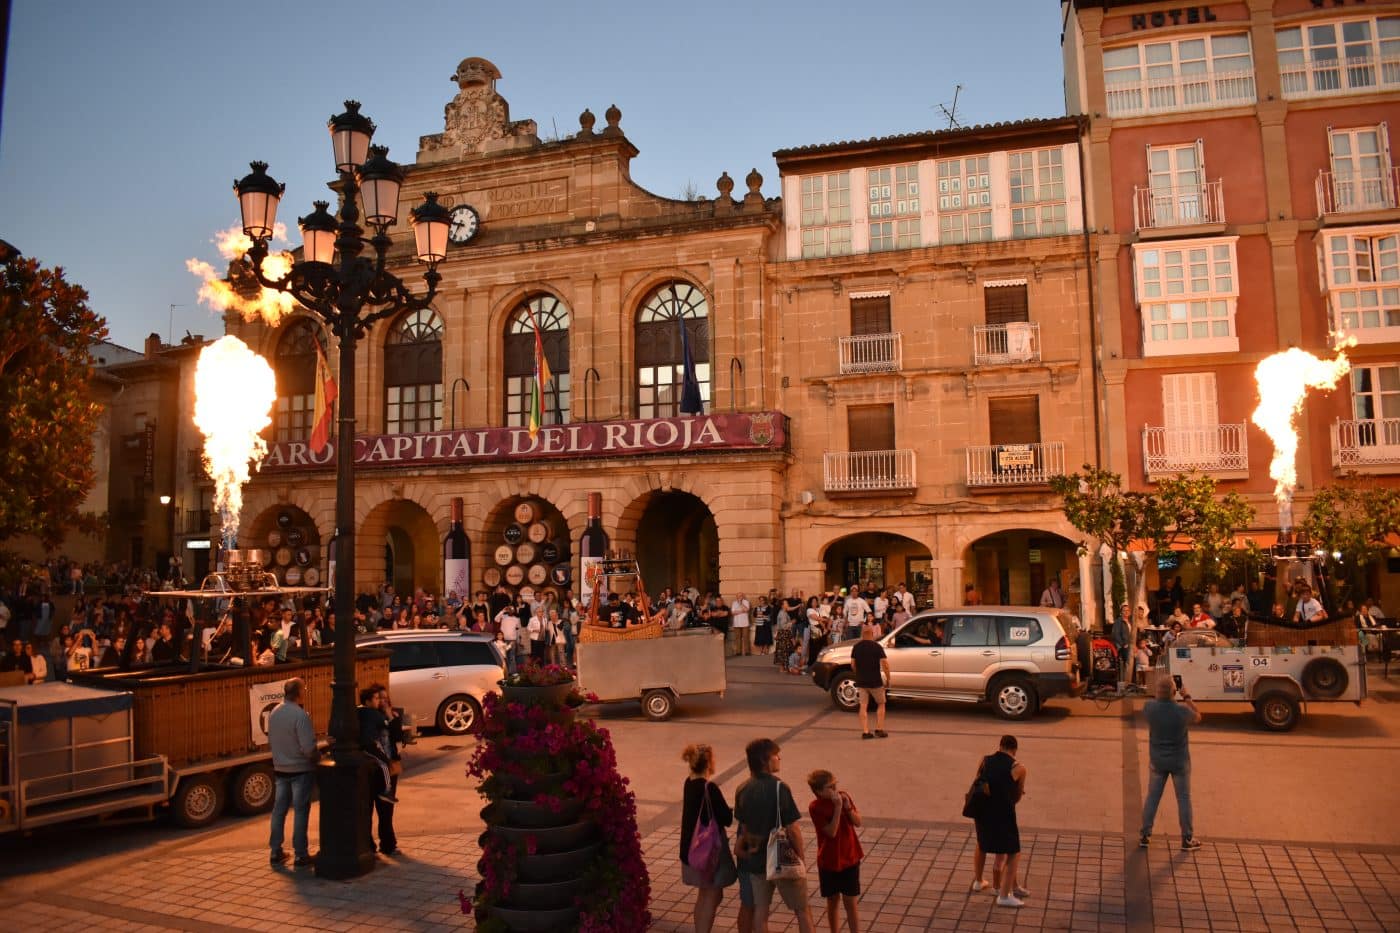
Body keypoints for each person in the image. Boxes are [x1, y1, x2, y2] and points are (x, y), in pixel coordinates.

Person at [733, 738, 815, 933]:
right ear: (765, 760)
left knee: (761, 911)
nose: (779, 758)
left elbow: (743, 827)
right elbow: (793, 829)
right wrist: (800, 859)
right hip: (781, 858)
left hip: (756, 861)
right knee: (802, 909)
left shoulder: (742, 788)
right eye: (775, 755)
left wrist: (749, 848)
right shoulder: (779, 788)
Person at [679, 743, 738, 933]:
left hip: (691, 848)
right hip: (708, 852)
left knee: (706, 895)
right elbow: (727, 819)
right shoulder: (708, 788)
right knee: (711, 896)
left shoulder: (689, 782)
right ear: (710, 762)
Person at [1139, 675, 1203, 851]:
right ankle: (1187, 839)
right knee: (1183, 798)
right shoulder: (1182, 711)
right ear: (1175, 692)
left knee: (1152, 797)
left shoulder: (1149, 708)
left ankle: (1145, 835)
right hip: (1179, 761)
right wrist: (1187, 697)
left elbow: (1153, 706)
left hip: (1157, 761)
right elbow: (1198, 717)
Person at [972, 735, 1029, 908]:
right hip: (1003, 813)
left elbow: (978, 782)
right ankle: (1004, 895)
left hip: (981, 810)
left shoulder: (985, 760)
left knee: (982, 844)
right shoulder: (1019, 767)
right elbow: (1017, 796)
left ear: (1000, 746)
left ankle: (979, 881)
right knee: (1013, 852)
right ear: (1014, 750)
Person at [268, 677, 318, 867]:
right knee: (300, 811)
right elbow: (307, 748)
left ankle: (275, 850)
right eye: (304, 689)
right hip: (300, 769)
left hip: (280, 768)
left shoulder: (275, 711)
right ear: (298, 693)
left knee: (279, 811)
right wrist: (317, 756)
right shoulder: (300, 715)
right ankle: (300, 854)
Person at [806, 768, 864, 933]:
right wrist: (838, 808)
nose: (834, 789)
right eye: (829, 787)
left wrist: (847, 808)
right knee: (832, 900)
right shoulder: (815, 807)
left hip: (850, 856)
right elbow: (831, 832)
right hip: (828, 860)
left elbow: (858, 822)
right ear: (818, 791)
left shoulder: (844, 796)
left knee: (850, 901)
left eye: (835, 784)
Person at [851, 623, 889, 739]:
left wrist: (858, 673)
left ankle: (866, 731)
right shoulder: (877, 647)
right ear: (872, 634)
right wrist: (888, 678)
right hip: (875, 681)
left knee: (863, 706)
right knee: (881, 704)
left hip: (862, 681)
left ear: (862, 634)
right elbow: (885, 664)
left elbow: (853, 664)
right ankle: (879, 729)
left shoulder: (856, 647)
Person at [1111, 603, 1133, 684]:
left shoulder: (1130, 622)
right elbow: (1115, 634)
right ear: (1121, 612)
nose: (1126, 612)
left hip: (1129, 645)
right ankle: (1124, 681)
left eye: (1128, 610)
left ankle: (1130, 681)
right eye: (1124, 610)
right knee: (1125, 662)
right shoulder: (1119, 621)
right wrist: (1123, 644)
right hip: (1122, 646)